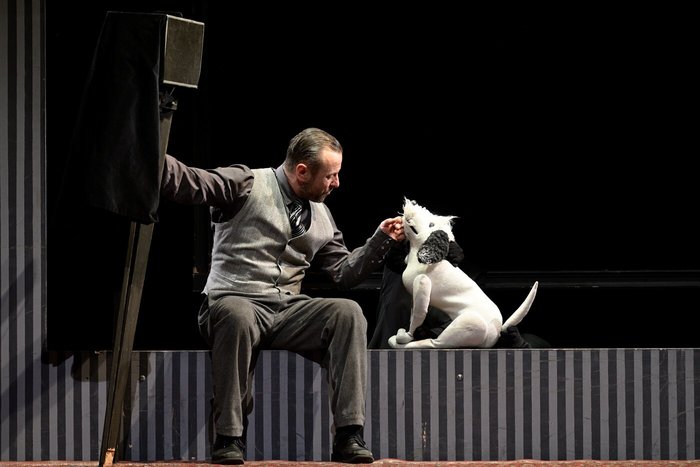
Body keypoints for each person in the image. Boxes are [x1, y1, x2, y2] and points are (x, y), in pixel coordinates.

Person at [160, 127, 404, 465]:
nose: (336, 183)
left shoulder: (322, 215)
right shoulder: (245, 183)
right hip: (234, 298)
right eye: (330, 175)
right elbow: (190, 181)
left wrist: (380, 240)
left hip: (287, 309)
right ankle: (229, 437)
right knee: (237, 313)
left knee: (347, 313)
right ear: (302, 171)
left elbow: (344, 273)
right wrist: (148, 150)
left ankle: (349, 434)